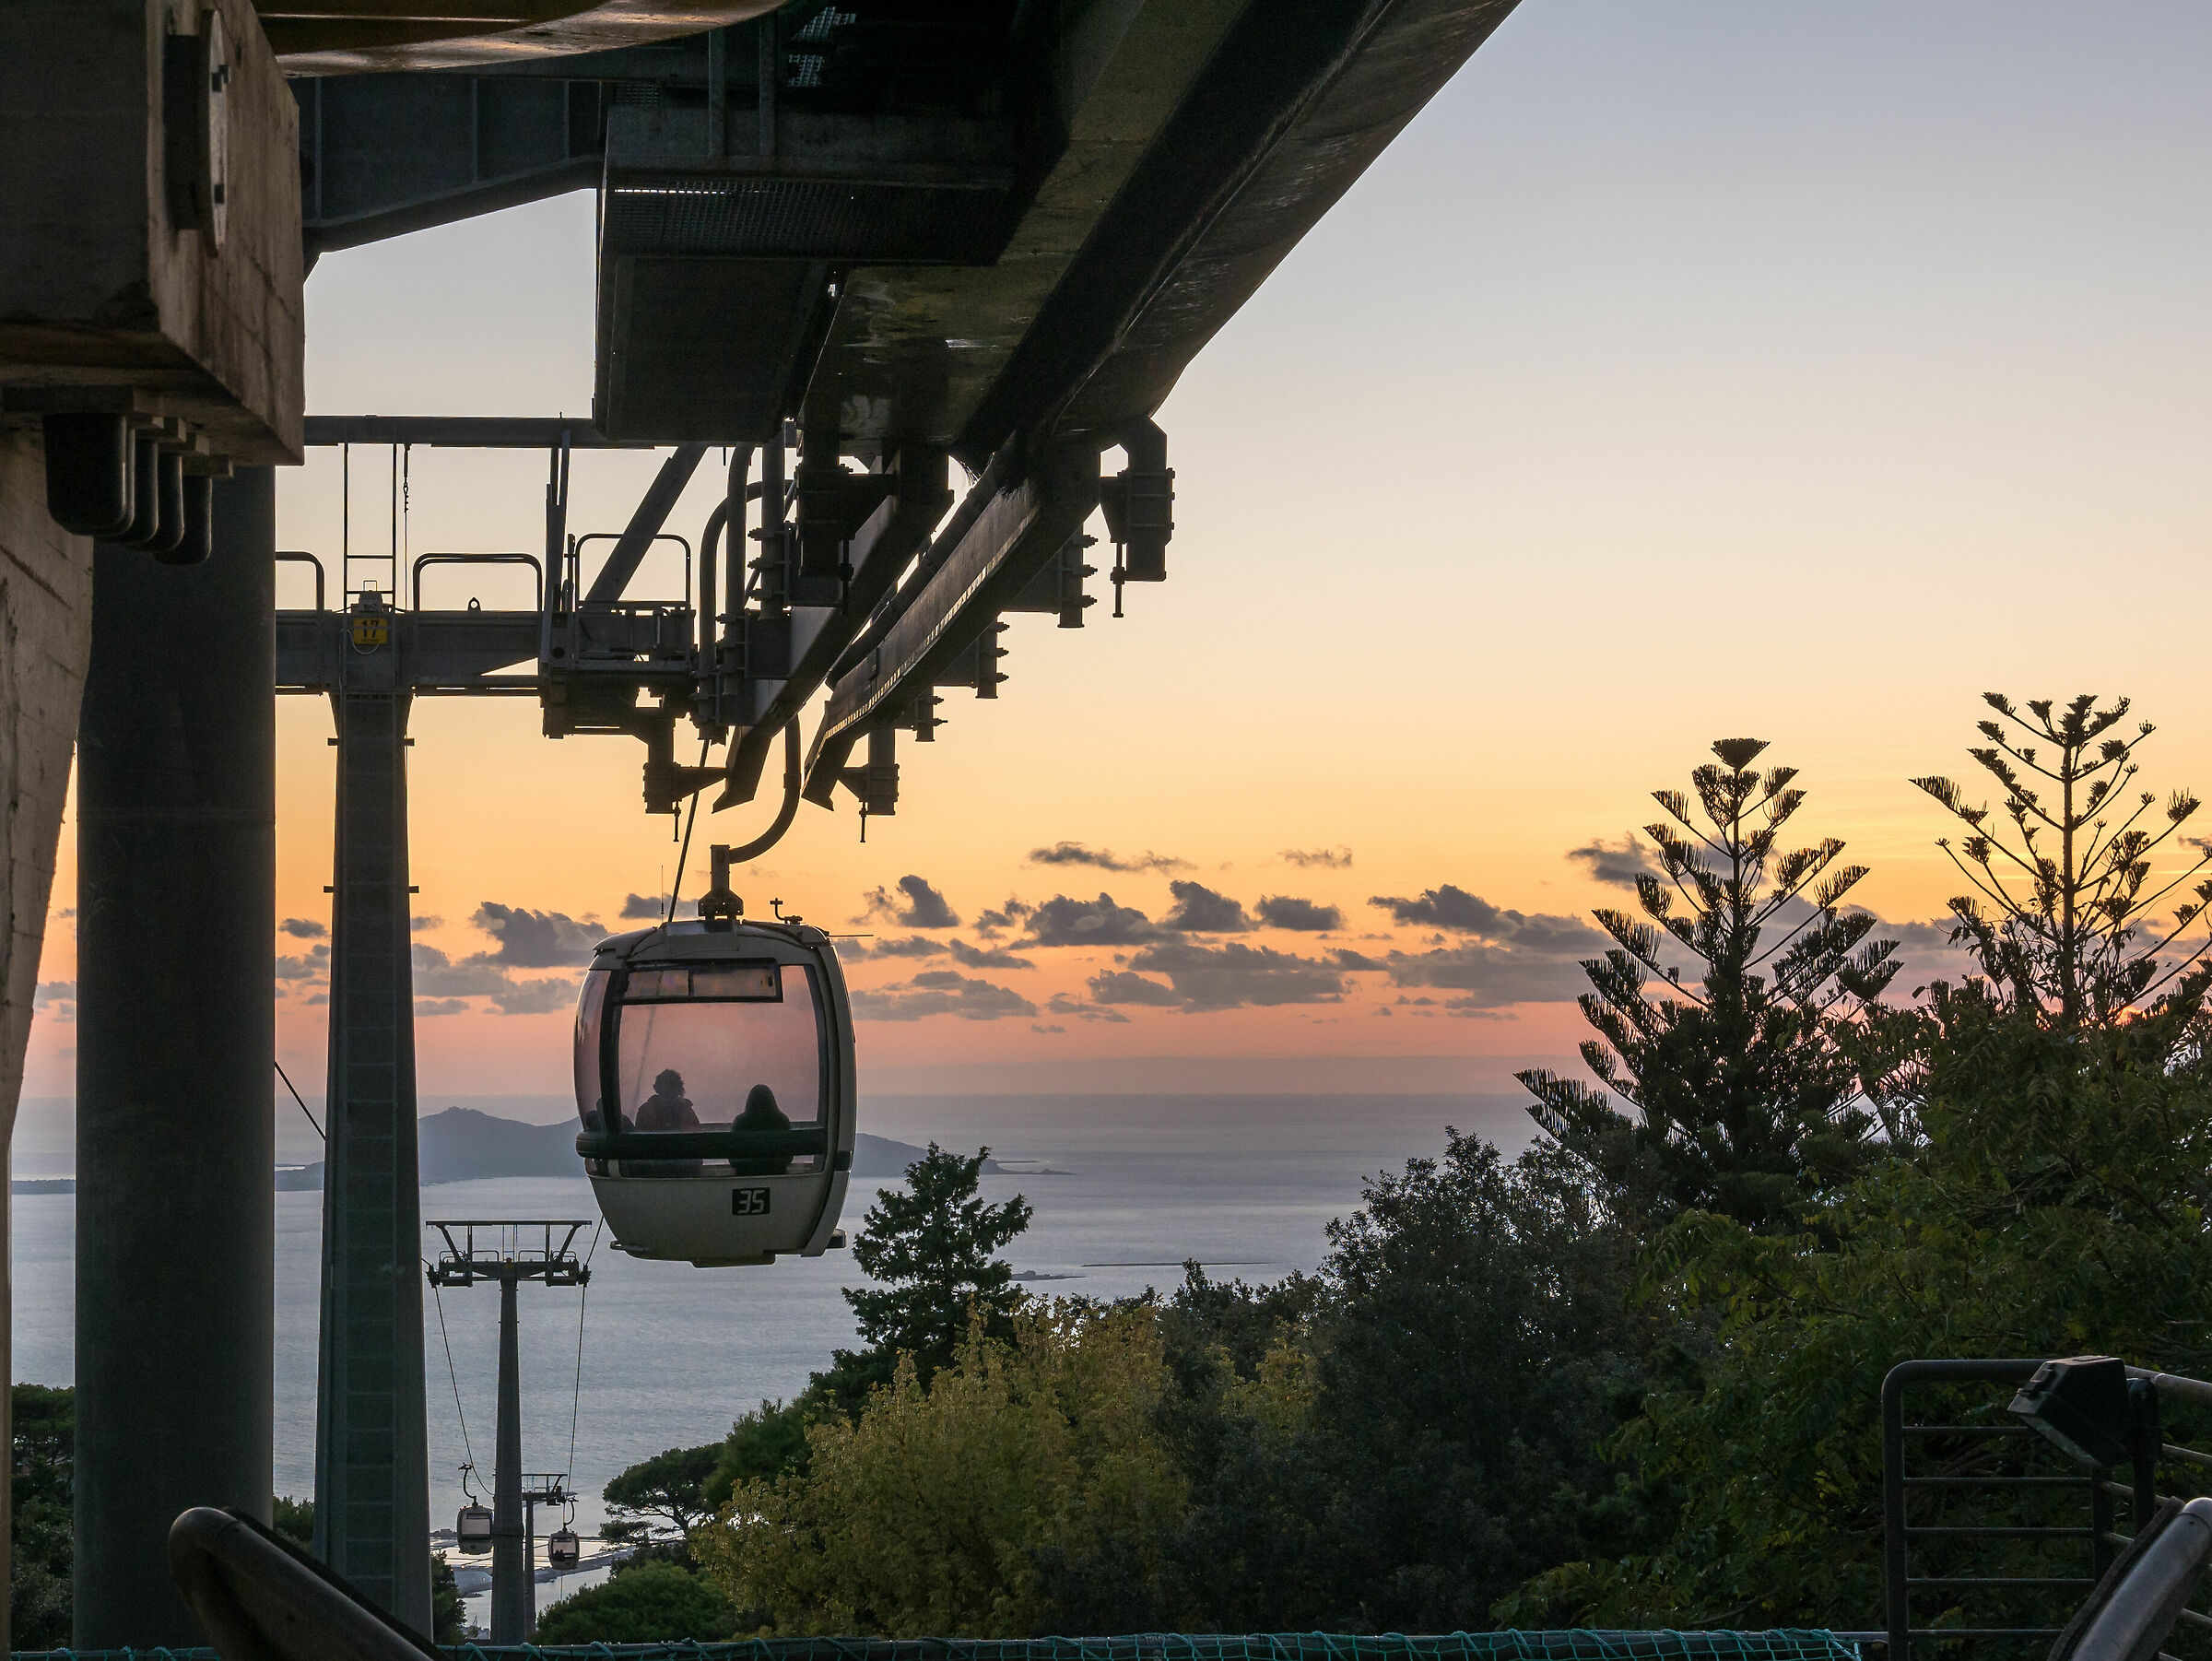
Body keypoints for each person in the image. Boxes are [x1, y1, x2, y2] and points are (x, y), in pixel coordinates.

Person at [630, 1067, 701, 1175]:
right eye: (666, 1090)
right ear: (658, 1089)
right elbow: (640, 1146)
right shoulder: (646, 1112)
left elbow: (695, 1144)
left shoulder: (686, 1111)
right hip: (654, 1169)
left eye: (671, 1089)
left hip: (683, 1168)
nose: (668, 1094)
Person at [729, 1083, 794, 1177]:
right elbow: (788, 1157)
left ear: (749, 1102)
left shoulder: (740, 1121)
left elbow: (732, 1158)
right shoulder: (782, 1120)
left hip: (746, 1172)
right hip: (776, 1171)